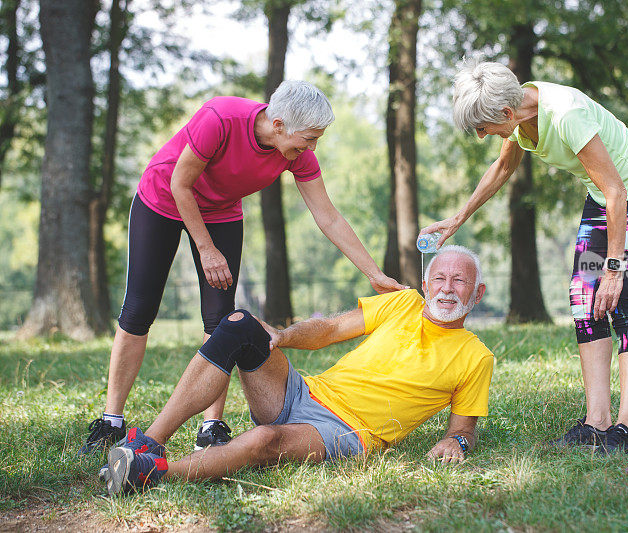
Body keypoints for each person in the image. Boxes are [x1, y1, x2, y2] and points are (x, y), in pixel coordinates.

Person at [80, 81, 406, 456]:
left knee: (219, 319)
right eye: (310, 138)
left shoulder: (297, 154)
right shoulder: (219, 118)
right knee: (138, 309)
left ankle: (211, 424)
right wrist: (206, 250)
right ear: (280, 124)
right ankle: (111, 421)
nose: (312, 147)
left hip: (221, 211)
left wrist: (373, 273)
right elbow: (180, 184)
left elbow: (327, 216)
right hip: (163, 198)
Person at [420, 60, 628, 454]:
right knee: (583, 299)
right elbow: (504, 166)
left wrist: (614, 268)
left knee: (622, 298)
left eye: (484, 128)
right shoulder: (520, 117)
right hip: (603, 197)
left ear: (505, 113)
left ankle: (627, 430)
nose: (484, 136)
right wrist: (458, 217)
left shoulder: (566, 115)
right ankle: (596, 422)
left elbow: (618, 191)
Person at [100, 246, 494, 495]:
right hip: (301, 392)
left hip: (347, 431)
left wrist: (456, 444)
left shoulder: (476, 357)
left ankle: (152, 473)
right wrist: (283, 336)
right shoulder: (404, 302)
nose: (446, 288)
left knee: (264, 440)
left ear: (476, 293)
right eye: (439, 278)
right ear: (425, 283)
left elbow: (463, 429)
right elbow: (330, 328)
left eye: (459, 280)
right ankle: (148, 442)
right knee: (239, 323)